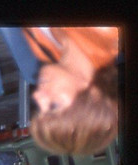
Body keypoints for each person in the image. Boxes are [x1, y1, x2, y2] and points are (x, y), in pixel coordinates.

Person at [24, 26, 120, 156]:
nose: (37, 96)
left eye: (40, 109)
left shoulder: (41, 49)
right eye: (54, 105)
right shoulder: (108, 30)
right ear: (93, 95)